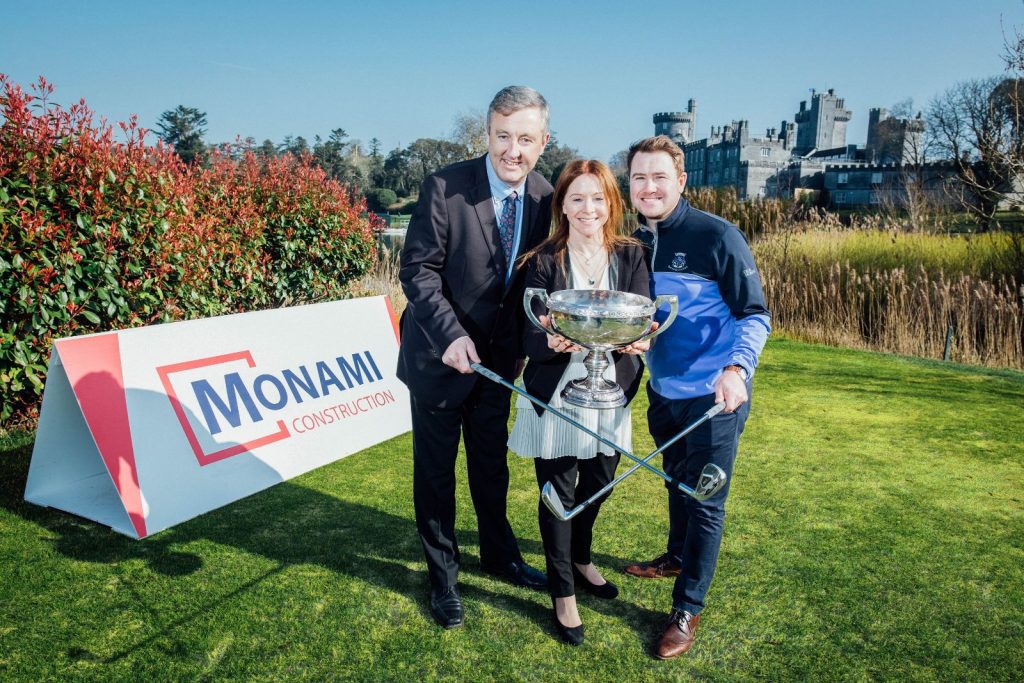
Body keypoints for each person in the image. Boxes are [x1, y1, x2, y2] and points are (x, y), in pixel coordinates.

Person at [397, 86, 554, 629]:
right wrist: (449, 337)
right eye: (503, 136)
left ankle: (500, 554)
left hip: (498, 368)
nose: (514, 150)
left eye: (526, 139)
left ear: (542, 141)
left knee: (490, 467)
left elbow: (535, 285)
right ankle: (443, 577)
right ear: (486, 134)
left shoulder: (546, 197)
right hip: (437, 359)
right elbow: (417, 272)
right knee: (436, 474)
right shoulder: (444, 187)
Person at [623, 136, 771, 659]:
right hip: (663, 390)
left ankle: (686, 608)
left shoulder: (717, 236)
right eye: (639, 177)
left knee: (706, 500)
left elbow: (755, 315)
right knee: (675, 482)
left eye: (659, 176)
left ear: (681, 181)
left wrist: (737, 369)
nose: (649, 186)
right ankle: (674, 556)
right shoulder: (635, 243)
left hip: (716, 397)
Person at [509, 159, 651, 645]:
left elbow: (642, 314)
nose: (587, 208)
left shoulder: (632, 255)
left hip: (611, 391)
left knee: (600, 483)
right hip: (556, 391)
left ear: (611, 202)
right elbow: (525, 333)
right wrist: (547, 341)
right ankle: (563, 594)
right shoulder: (543, 260)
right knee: (559, 494)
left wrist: (641, 340)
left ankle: (582, 557)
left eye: (597, 198)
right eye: (577, 198)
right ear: (562, 205)